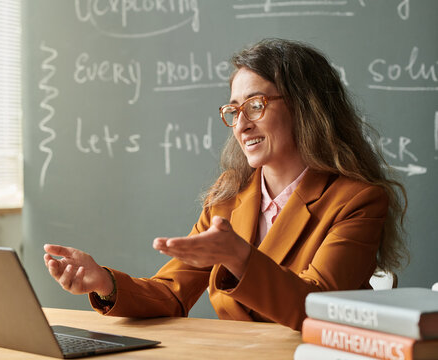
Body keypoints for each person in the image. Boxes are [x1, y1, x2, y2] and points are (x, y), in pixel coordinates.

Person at [44, 38, 408, 331]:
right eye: (234, 110)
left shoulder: (358, 200)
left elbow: (317, 309)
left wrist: (238, 256)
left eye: (256, 105)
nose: (241, 125)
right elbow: (171, 295)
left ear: (305, 108)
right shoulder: (229, 195)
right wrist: (105, 283)